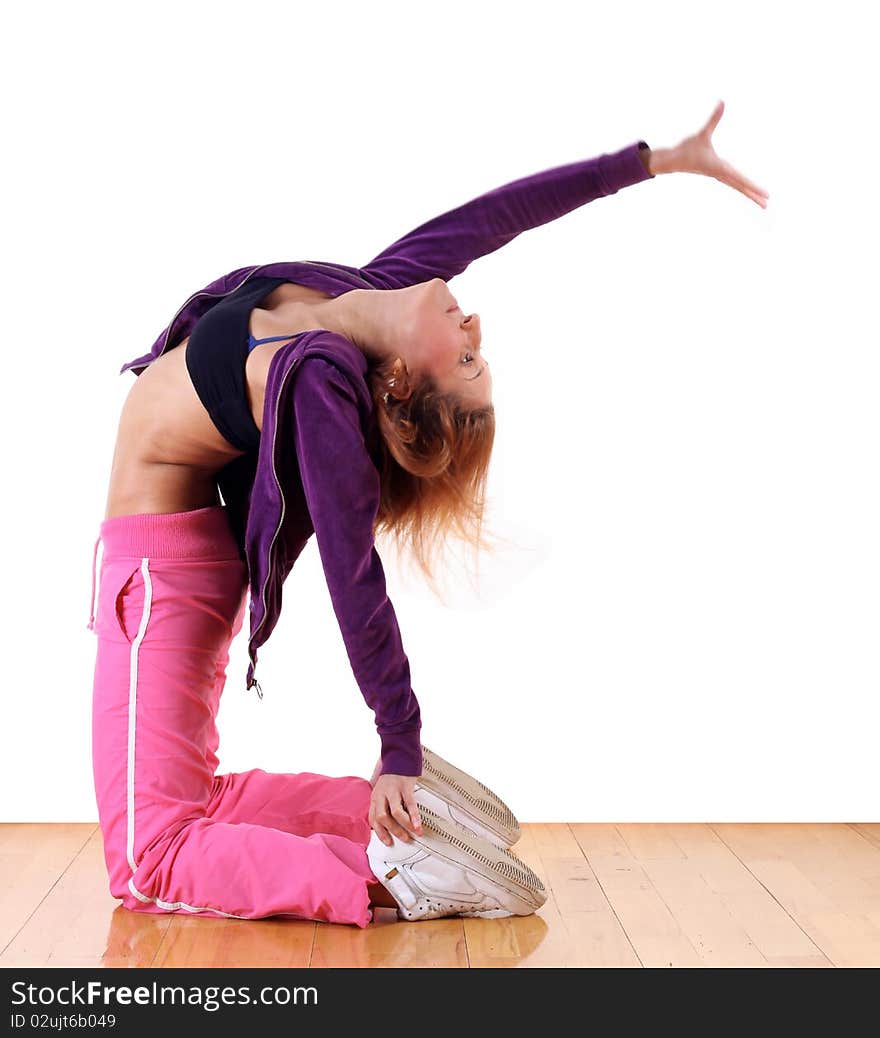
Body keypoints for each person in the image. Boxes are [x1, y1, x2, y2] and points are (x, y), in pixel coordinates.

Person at [89, 100, 768, 926]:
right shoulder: (362, 299)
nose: (475, 323)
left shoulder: (322, 385)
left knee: (149, 856)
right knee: (200, 800)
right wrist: (650, 162)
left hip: (157, 576)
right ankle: (413, 827)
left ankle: (388, 875)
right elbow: (492, 219)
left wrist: (399, 741)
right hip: (175, 564)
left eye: (470, 359)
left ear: (407, 382)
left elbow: (353, 575)